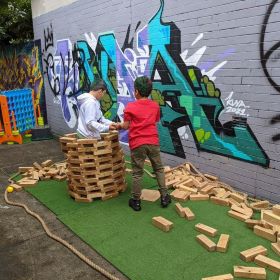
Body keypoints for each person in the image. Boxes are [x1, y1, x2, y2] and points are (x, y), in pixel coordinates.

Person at [117, 76, 171, 211]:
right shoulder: (155, 106)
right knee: (158, 169)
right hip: (153, 142)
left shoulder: (130, 107)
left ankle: (136, 201)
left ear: (136, 92)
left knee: (137, 172)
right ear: (150, 91)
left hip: (137, 143)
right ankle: (164, 196)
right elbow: (155, 120)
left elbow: (126, 126)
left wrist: (117, 125)